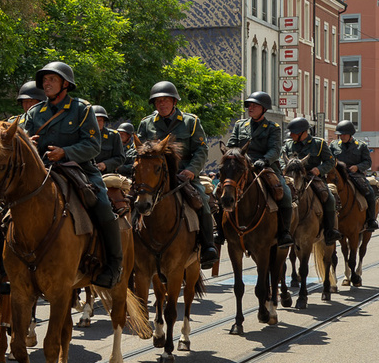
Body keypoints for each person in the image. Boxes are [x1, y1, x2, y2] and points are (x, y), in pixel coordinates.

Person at [22, 61, 122, 287]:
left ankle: (114, 265)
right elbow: (20, 141)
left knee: (104, 206)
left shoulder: (82, 109)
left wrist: (65, 152)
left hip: (78, 169)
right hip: (42, 170)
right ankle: (7, 264)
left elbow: (93, 145)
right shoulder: (34, 113)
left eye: (52, 80)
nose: (46, 84)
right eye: (44, 80)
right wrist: (27, 142)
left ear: (65, 84)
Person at [135, 82, 217, 265]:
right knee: (133, 200)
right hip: (155, 175)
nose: (161, 104)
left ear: (174, 101)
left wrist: (191, 171)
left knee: (201, 199)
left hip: (183, 174)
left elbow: (201, 151)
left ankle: (208, 246)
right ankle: (130, 243)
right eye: (157, 102)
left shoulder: (190, 122)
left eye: (165, 101)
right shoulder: (146, 123)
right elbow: (138, 150)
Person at [225, 90, 294, 248]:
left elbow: (275, 149)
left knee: (285, 193)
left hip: (265, 166)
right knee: (219, 192)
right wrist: (235, 155)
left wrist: (264, 160)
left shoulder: (273, 127)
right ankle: (220, 232)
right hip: (242, 165)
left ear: (264, 109)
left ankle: (285, 232)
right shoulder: (240, 125)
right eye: (249, 105)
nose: (250, 108)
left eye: (255, 106)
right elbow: (232, 144)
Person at [286, 117, 343, 247]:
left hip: (313, 177)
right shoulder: (289, 144)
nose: (291, 135)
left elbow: (330, 161)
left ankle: (330, 231)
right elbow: (282, 158)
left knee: (329, 198)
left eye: (293, 132)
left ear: (303, 132)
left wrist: (319, 169)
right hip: (293, 178)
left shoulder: (319, 143)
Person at [333, 120, 378, 235]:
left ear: (350, 134)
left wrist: (357, 167)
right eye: (340, 134)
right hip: (338, 175)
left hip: (355, 174)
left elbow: (368, 162)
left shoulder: (361, 146)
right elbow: (329, 160)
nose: (341, 136)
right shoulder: (333, 145)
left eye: (343, 134)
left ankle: (371, 219)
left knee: (369, 192)